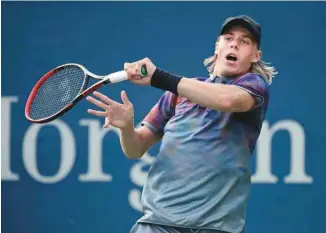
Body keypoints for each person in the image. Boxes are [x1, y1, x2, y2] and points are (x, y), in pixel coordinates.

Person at [86, 15, 277, 233]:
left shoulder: (254, 86)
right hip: (158, 224)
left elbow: (227, 100)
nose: (234, 43)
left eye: (245, 41)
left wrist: (158, 77)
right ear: (217, 46)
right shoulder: (176, 95)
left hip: (217, 227)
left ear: (256, 55)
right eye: (228, 38)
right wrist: (126, 127)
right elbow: (135, 149)